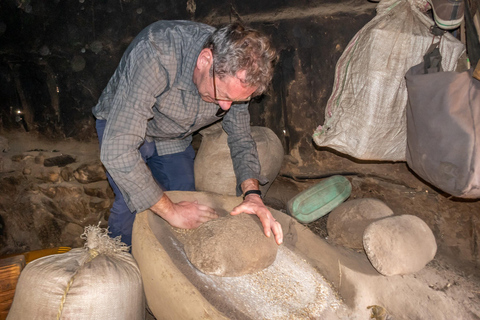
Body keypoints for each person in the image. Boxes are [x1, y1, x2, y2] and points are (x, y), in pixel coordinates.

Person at [93, 20, 283, 247]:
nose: (225, 108)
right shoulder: (157, 52)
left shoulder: (233, 80)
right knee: (132, 203)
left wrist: (253, 195)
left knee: (187, 200)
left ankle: (164, 263)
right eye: (221, 94)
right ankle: (121, 261)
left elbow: (241, 138)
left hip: (174, 135)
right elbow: (119, 151)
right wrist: (171, 211)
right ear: (205, 60)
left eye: (235, 100)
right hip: (125, 125)